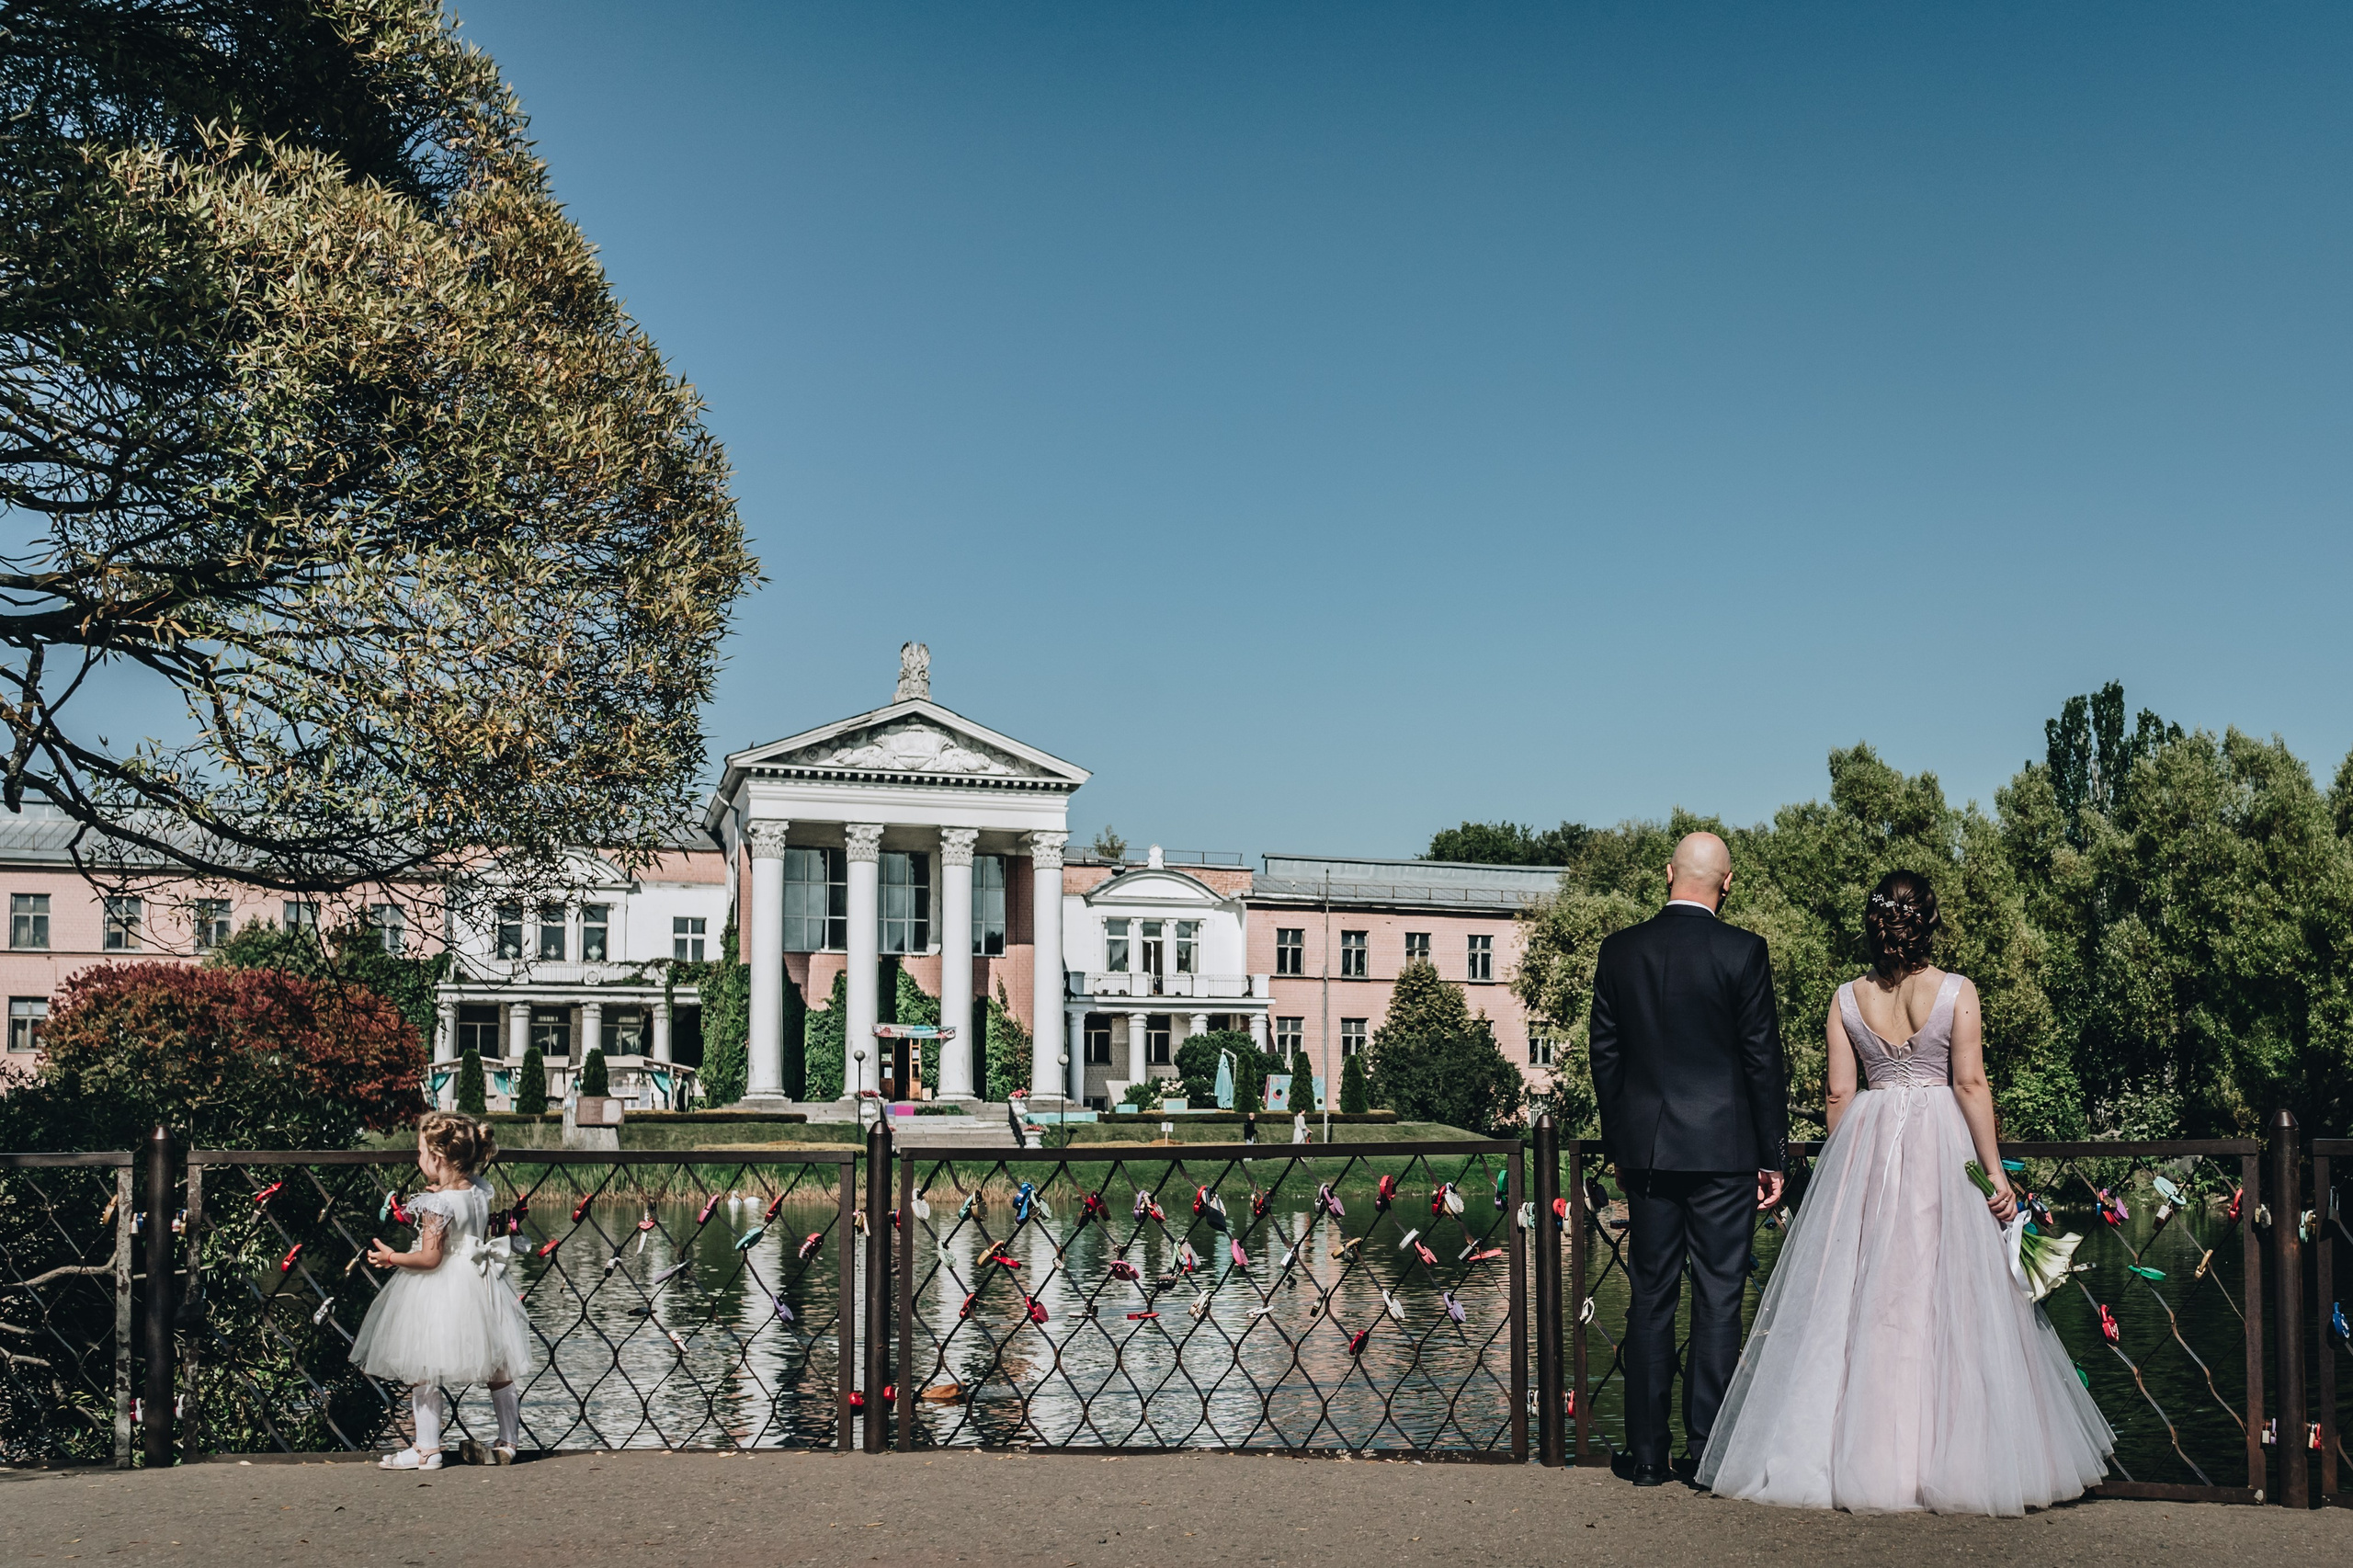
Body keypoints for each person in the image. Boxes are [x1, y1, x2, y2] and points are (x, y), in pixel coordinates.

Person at [1697, 870, 2112, 1514]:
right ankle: (1951, 1458)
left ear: (1875, 924)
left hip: (1869, 1139)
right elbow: (1971, 1085)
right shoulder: (1957, 991)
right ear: (1929, 922)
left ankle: (1858, 1457)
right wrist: (1996, 1174)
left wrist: (1845, 1173)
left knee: (1865, 1303)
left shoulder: (1845, 998)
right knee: (1949, 1299)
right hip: (1941, 1149)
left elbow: (1838, 1094)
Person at [1587, 831, 1786, 1487]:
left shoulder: (1619, 951)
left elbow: (1606, 1059)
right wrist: (1773, 1155)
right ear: (1726, 883)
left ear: (1668, 874)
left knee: (1649, 1299)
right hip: (1725, 1152)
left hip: (1646, 1153)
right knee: (1718, 1297)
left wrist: (1620, 1146)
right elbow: (1762, 1060)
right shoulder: (1743, 952)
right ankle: (1707, 1453)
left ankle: (1646, 1458)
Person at [352, 1110, 533, 1470]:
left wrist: (393, 1257)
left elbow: (431, 1258)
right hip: (481, 1280)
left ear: (436, 1158)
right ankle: (509, 1441)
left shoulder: (437, 1204)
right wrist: (445, 1191)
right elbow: (463, 1207)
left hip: (443, 1287)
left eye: (420, 1152)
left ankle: (427, 1449)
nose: (418, 1159)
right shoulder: (480, 1189)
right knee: (499, 1365)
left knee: (425, 1364)